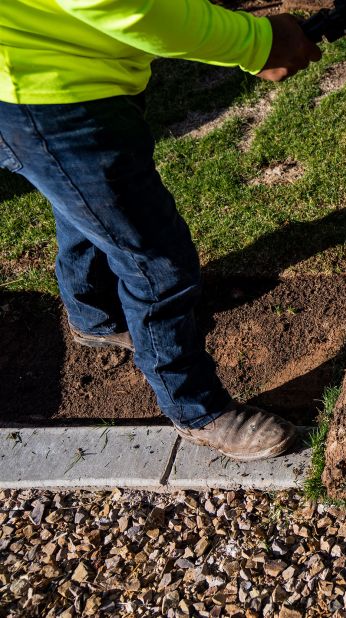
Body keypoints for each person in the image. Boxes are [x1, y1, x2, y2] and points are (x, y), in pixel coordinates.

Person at [0, 1, 322, 460]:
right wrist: (257, 43)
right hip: (48, 95)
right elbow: (124, 5)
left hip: (53, 74)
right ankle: (196, 409)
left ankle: (93, 317)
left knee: (87, 209)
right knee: (156, 262)